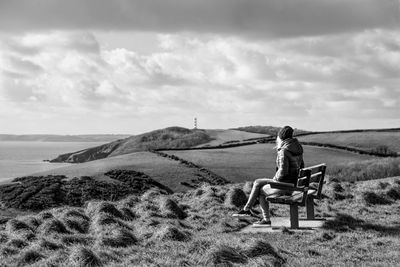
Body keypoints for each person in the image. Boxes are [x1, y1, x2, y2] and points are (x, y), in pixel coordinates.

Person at [233, 126, 304, 226]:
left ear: (281, 137)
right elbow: (302, 167)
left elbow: (283, 171)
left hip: (285, 184)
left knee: (261, 191)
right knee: (258, 182)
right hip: (293, 183)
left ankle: (263, 218)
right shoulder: (298, 148)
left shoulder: (284, 150)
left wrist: (275, 180)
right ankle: (247, 210)